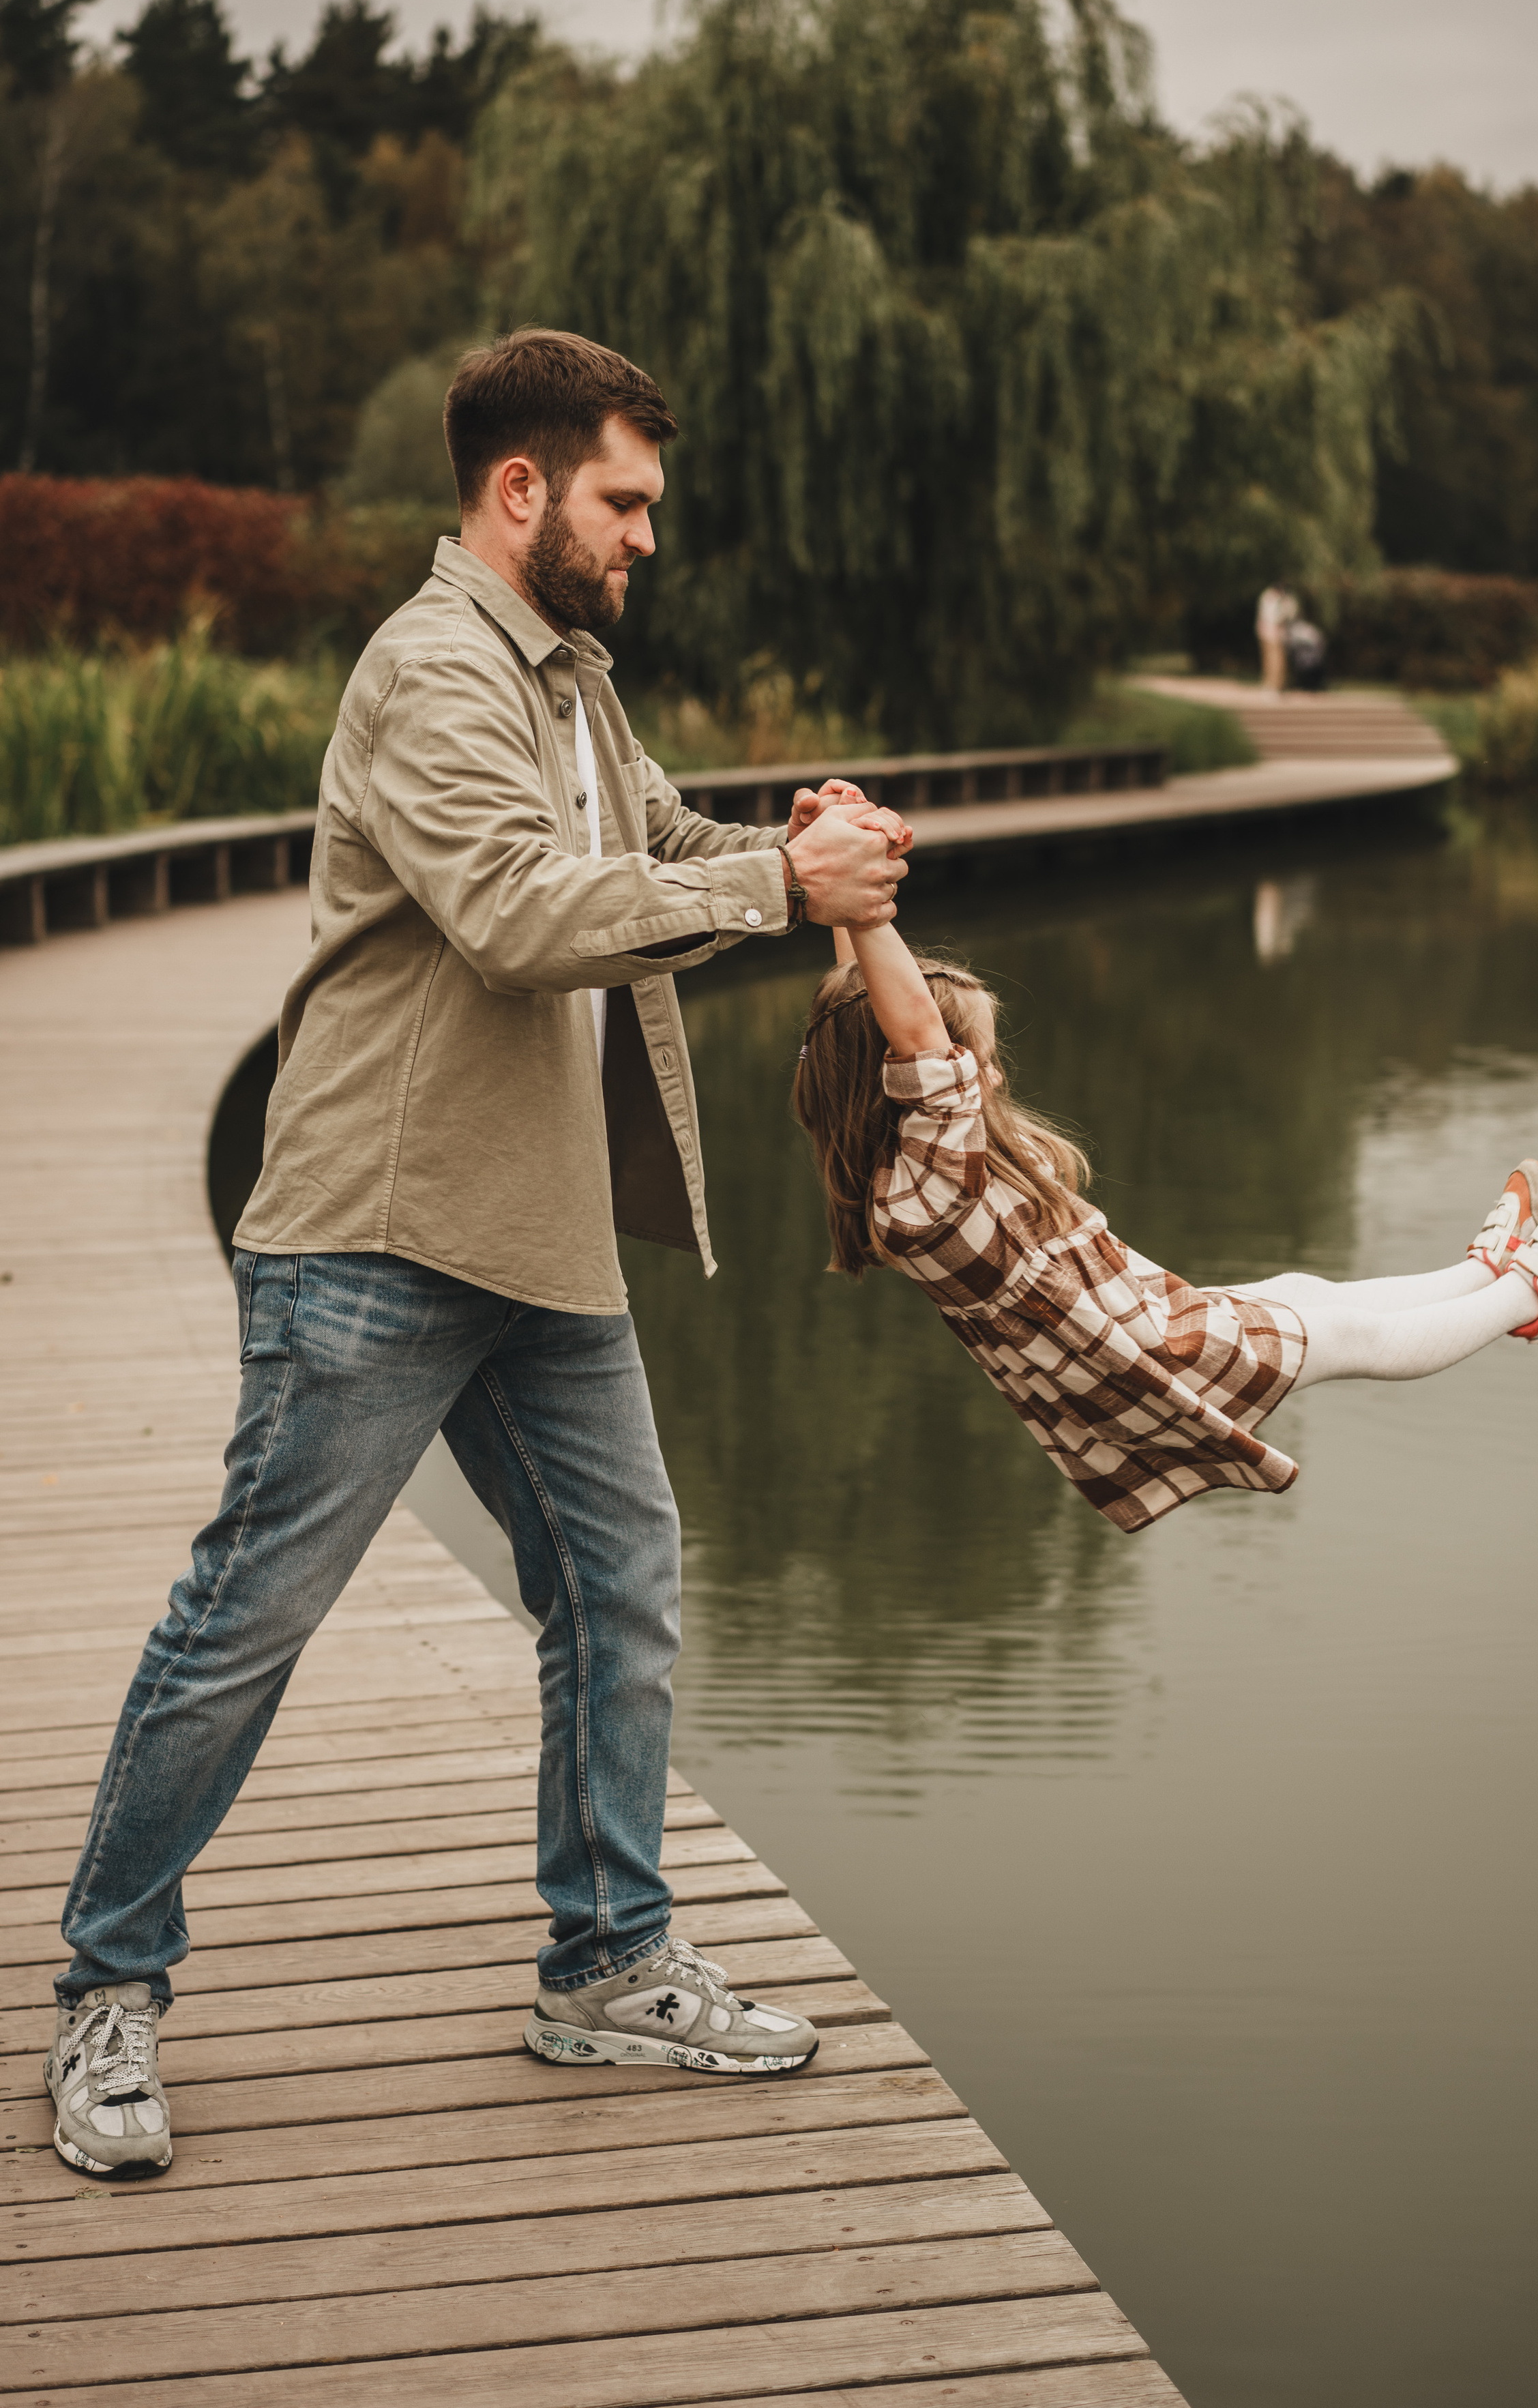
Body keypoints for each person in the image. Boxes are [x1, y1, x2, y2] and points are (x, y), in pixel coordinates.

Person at [45, 328, 913, 2179]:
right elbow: (522, 916)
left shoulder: (570, 675)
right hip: (378, 1232)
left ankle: (607, 1965)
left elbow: (654, 845)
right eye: (623, 501)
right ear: (520, 490)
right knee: (247, 1617)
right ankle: (108, 1989)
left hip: (538, 1235)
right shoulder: (433, 671)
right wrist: (781, 892)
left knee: (622, 1583)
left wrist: (790, 839)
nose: (646, 536)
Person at [792, 898, 1538, 1533]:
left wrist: (844, 900)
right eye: (975, 1058)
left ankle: (1483, 1273)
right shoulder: (930, 1196)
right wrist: (867, 911)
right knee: (1346, 1337)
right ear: (904, 1076)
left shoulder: (907, 1171)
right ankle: (1535, 1294)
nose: (992, 1076)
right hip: (1141, 1360)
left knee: (1304, 1291)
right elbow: (912, 1031)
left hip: (1144, 1323)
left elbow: (868, 1011)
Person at [1256, 583, 1299, 694]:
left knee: (1278, 662)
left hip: (1279, 634)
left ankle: (1277, 686)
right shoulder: (1269, 596)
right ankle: (1270, 686)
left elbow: (1291, 614)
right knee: (1271, 661)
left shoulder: (1286, 598)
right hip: (1269, 633)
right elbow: (1269, 616)